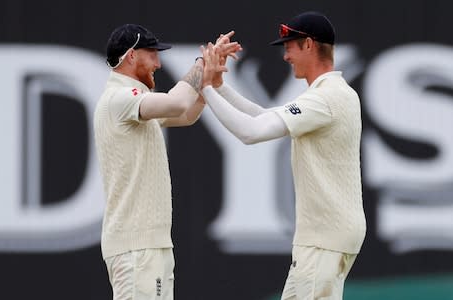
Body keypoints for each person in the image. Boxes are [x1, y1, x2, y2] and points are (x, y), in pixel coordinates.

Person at [201, 11, 366, 300]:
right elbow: (266, 116)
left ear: (309, 45)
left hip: (324, 238)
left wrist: (204, 88)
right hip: (326, 237)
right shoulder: (329, 94)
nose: (286, 56)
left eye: (290, 46)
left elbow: (250, 132)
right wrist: (219, 87)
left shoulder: (326, 98)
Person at [93, 24, 240, 300]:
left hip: (148, 246)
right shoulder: (120, 98)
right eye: (152, 55)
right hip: (137, 247)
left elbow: (187, 114)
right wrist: (202, 62)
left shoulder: (134, 101)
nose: (158, 64)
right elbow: (177, 104)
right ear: (132, 55)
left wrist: (206, 80)